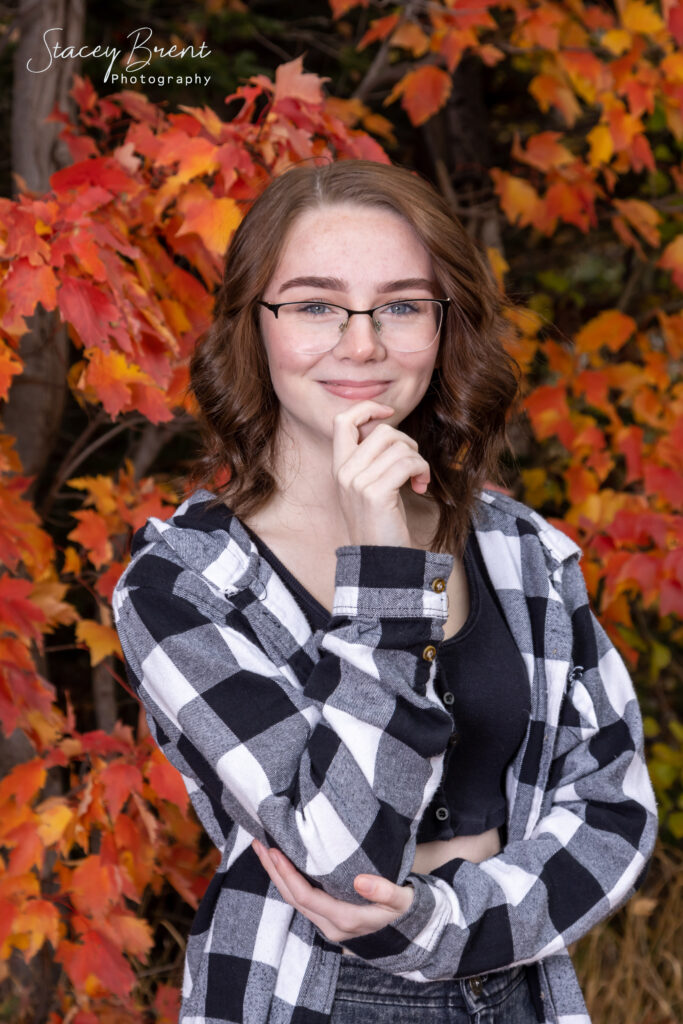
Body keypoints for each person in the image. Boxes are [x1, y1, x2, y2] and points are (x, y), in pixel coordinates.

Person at [112, 159, 657, 1024]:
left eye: (401, 306)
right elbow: (339, 851)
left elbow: (612, 805)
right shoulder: (182, 584)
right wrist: (386, 571)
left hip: (511, 981)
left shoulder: (518, 548)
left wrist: (444, 927)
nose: (361, 343)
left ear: (444, 328)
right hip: (304, 997)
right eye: (315, 304)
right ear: (253, 325)